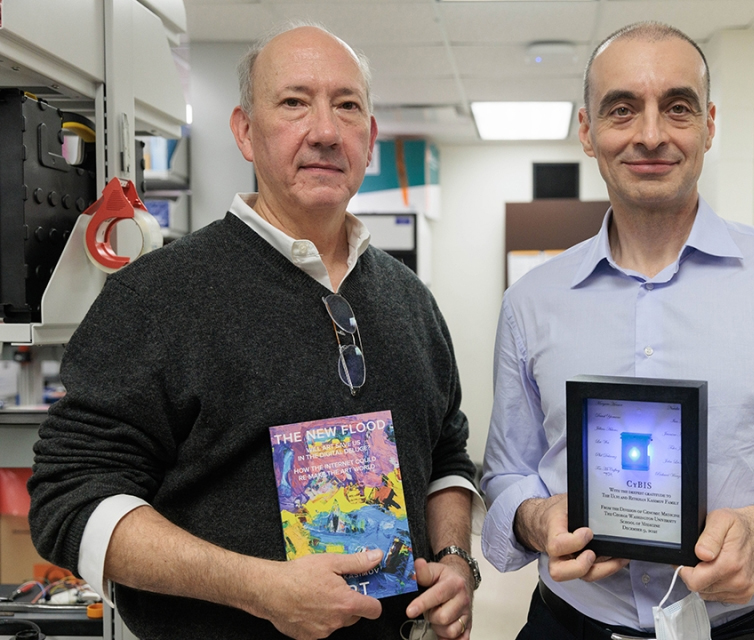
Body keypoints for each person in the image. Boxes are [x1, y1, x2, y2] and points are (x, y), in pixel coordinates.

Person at [29, 22, 480, 640]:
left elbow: (448, 455)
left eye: (347, 106)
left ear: (369, 138)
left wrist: (455, 559)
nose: (325, 130)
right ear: (244, 131)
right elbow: (70, 499)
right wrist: (259, 588)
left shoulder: (410, 301)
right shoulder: (159, 297)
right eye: (294, 103)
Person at [480, 21, 754, 640]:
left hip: (747, 627)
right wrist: (535, 517)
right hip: (568, 624)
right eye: (622, 109)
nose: (651, 134)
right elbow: (504, 472)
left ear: (710, 124)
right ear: (587, 130)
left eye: (678, 107)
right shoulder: (532, 301)